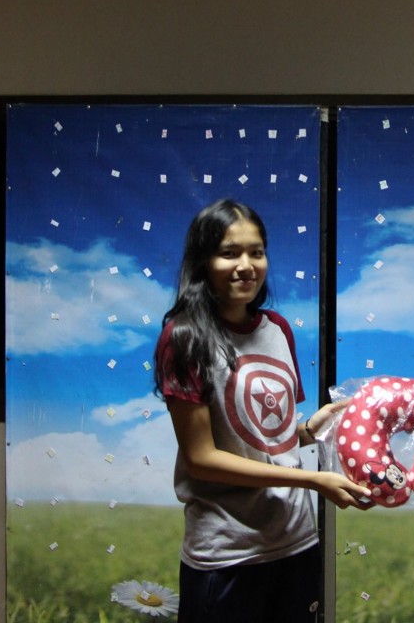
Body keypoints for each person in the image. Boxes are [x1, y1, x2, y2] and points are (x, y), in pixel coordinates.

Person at [154, 199, 371, 623]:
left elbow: (265, 441)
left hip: (296, 542)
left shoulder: (277, 329)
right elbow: (202, 459)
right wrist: (312, 479)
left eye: (256, 252)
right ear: (203, 261)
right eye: (229, 253)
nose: (246, 266)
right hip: (227, 552)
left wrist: (308, 430)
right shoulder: (183, 338)